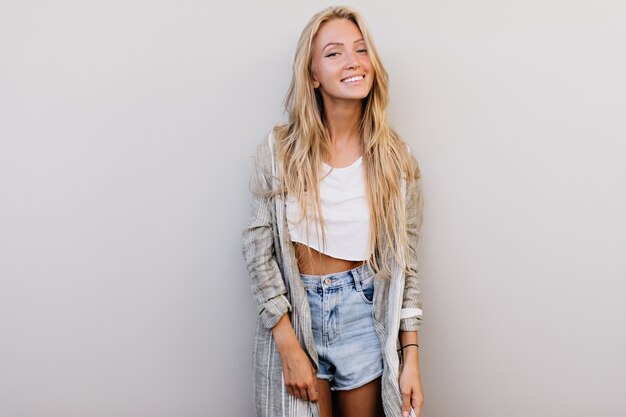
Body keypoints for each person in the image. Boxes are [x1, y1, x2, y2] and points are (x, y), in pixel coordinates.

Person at [242, 5, 425, 417]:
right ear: (312, 76)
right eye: (334, 53)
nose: (353, 62)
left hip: (363, 313)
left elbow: (406, 266)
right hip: (297, 312)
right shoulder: (279, 153)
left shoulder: (396, 162)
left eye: (360, 50)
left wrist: (411, 357)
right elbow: (257, 251)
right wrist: (287, 342)